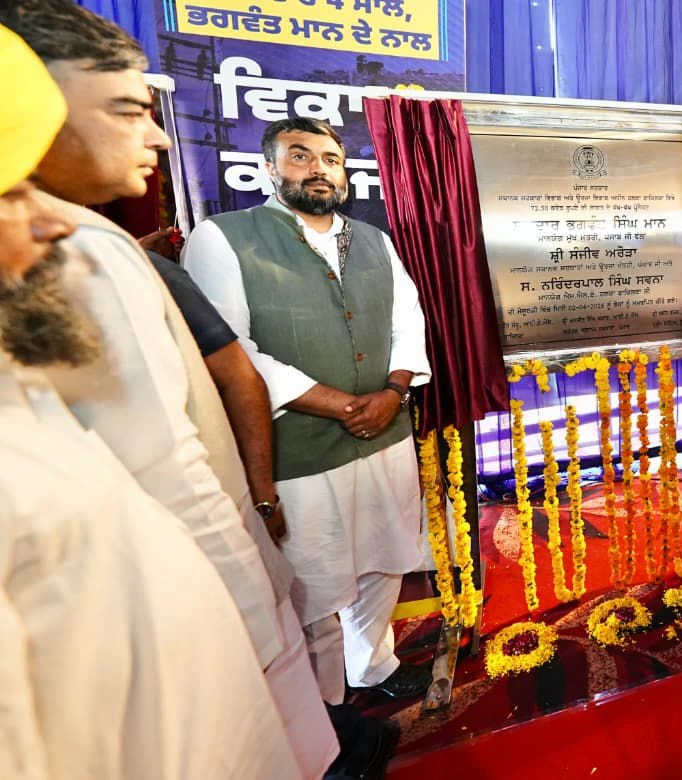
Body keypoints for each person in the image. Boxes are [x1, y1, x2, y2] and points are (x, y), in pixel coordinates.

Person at [1, 2, 341, 776]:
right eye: (127, 110)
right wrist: (257, 617)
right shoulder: (94, 248)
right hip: (164, 630)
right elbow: (174, 454)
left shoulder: (86, 237)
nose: (157, 137)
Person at [184, 116, 433, 703]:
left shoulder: (374, 240)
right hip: (296, 450)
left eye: (330, 159)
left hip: (385, 433)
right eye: (300, 156)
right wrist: (342, 405)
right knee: (311, 584)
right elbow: (231, 351)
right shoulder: (222, 238)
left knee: (384, 559)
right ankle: (325, 709)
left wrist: (393, 394)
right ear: (269, 169)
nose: (318, 168)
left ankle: (373, 667)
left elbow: (409, 324)